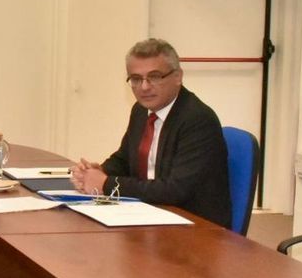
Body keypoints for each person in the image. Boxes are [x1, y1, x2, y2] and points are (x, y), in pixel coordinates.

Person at [70, 38, 231, 228]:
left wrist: (106, 184)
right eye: (136, 79)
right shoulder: (140, 110)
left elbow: (174, 190)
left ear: (178, 76)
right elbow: (124, 159)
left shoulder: (197, 119)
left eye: (154, 77)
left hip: (194, 227)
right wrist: (97, 172)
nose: (144, 87)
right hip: (150, 213)